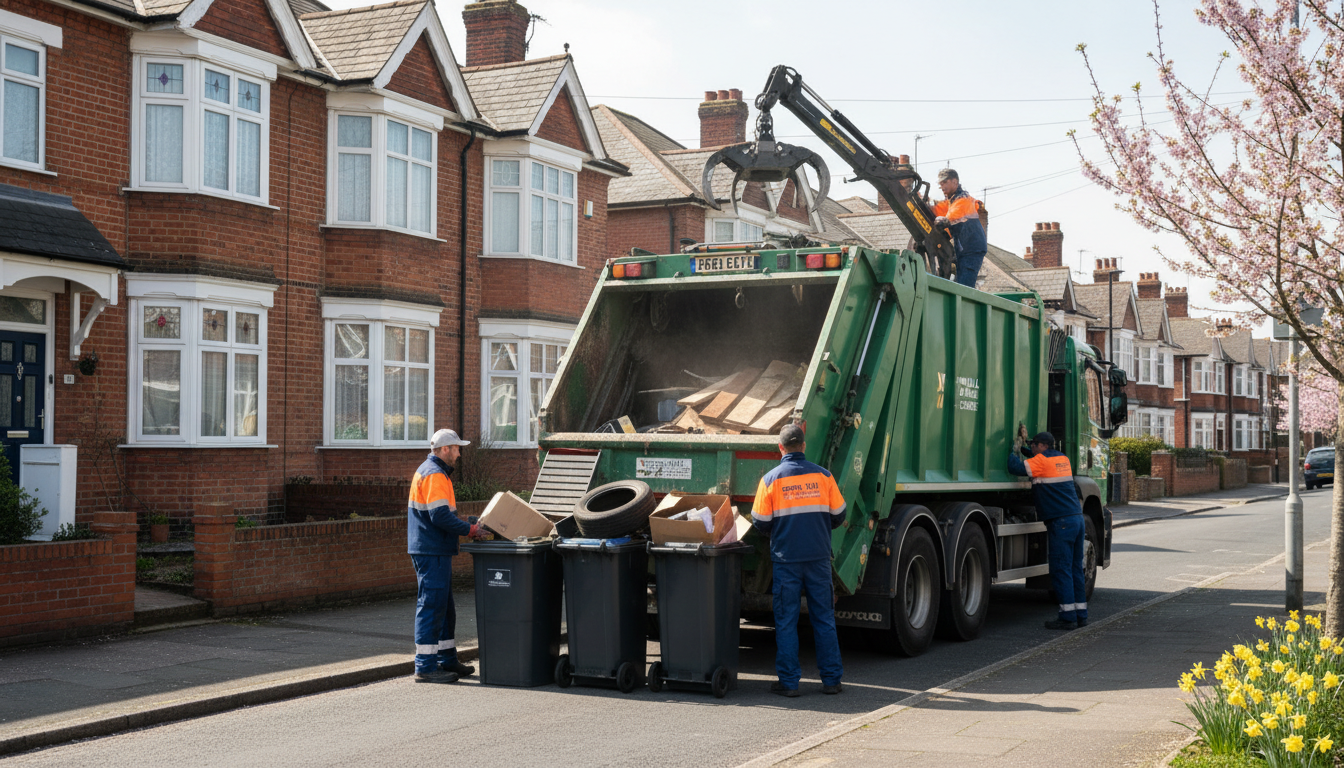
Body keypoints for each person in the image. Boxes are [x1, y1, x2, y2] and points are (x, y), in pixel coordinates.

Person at [751, 424, 845, 697]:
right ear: (804, 446)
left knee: (786, 621)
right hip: (818, 558)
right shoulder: (824, 476)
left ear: (780, 448)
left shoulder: (770, 480)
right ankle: (831, 681)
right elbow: (838, 515)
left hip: (786, 560)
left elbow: (760, 522)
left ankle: (790, 683)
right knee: (824, 619)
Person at [408, 428, 481, 683]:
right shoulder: (435, 475)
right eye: (457, 448)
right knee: (431, 606)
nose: (459, 454)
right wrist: (470, 529)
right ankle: (426, 666)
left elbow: (441, 514)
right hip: (432, 549)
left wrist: (465, 523)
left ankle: (446, 658)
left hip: (433, 548)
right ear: (446, 449)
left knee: (445, 608)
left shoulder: (433, 472)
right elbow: (438, 517)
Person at [1006, 427, 1088, 630]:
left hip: (1061, 523)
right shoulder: (1062, 459)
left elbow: (1015, 467)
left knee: (1060, 569)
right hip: (1077, 519)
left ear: (1042, 446)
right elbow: (1034, 459)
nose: (1032, 447)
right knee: (1075, 568)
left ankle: (1067, 617)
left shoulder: (1040, 462)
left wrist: (1014, 450)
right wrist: (1025, 448)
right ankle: (1080, 614)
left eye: (1034, 444)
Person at [932, 168, 987, 288]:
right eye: (940, 184)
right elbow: (941, 208)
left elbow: (949, 218)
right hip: (964, 251)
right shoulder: (953, 201)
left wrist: (941, 221)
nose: (942, 186)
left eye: (945, 182)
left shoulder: (963, 200)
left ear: (955, 182)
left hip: (971, 250)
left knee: (964, 287)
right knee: (960, 286)